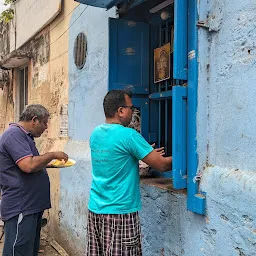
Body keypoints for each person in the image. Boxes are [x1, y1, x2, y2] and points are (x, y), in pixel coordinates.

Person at [86, 90, 172, 256]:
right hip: (120, 212)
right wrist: (184, 158)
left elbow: (116, 159)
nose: (133, 113)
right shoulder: (129, 135)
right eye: (131, 108)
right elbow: (161, 165)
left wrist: (143, 153)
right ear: (120, 111)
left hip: (96, 209)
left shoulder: (95, 134)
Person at [0, 104, 68, 256]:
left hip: (30, 206)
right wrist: (52, 155)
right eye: (44, 122)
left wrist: (49, 164)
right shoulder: (14, 135)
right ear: (34, 120)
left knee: (28, 251)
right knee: (18, 251)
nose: (46, 127)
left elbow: (29, 162)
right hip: (21, 207)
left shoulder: (25, 136)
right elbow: (28, 165)